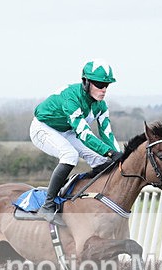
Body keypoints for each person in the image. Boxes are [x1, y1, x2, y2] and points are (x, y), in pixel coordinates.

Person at [30, 59, 123, 225]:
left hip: (67, 131)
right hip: (43, 128)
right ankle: (48, 205)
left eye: (106, 85)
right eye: (99, 84)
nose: (103, 89)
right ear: (86, 82)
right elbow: (84, 133)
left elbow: (107, 134)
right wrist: (109, 152)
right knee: (70, 155)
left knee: (101, 160)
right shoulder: (71, 98)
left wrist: (119, 155)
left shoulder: (101, 106)